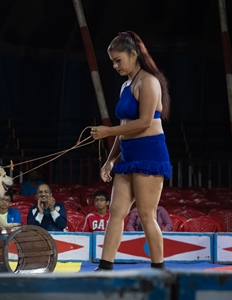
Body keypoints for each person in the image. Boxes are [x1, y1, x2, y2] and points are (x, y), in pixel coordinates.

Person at [91, 31, 172, 271]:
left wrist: (107, 131)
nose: (115, 66)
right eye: (112, 62)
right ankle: (105, 266)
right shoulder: (126, 85)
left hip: (149, 153)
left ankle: (159, 269)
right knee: (116, 212)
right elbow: (125, 128)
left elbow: (145, 122)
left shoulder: (149, 82)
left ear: (133, 55)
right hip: (127, 155)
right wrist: (109, 161)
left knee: (147, 215)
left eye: (118, 60)